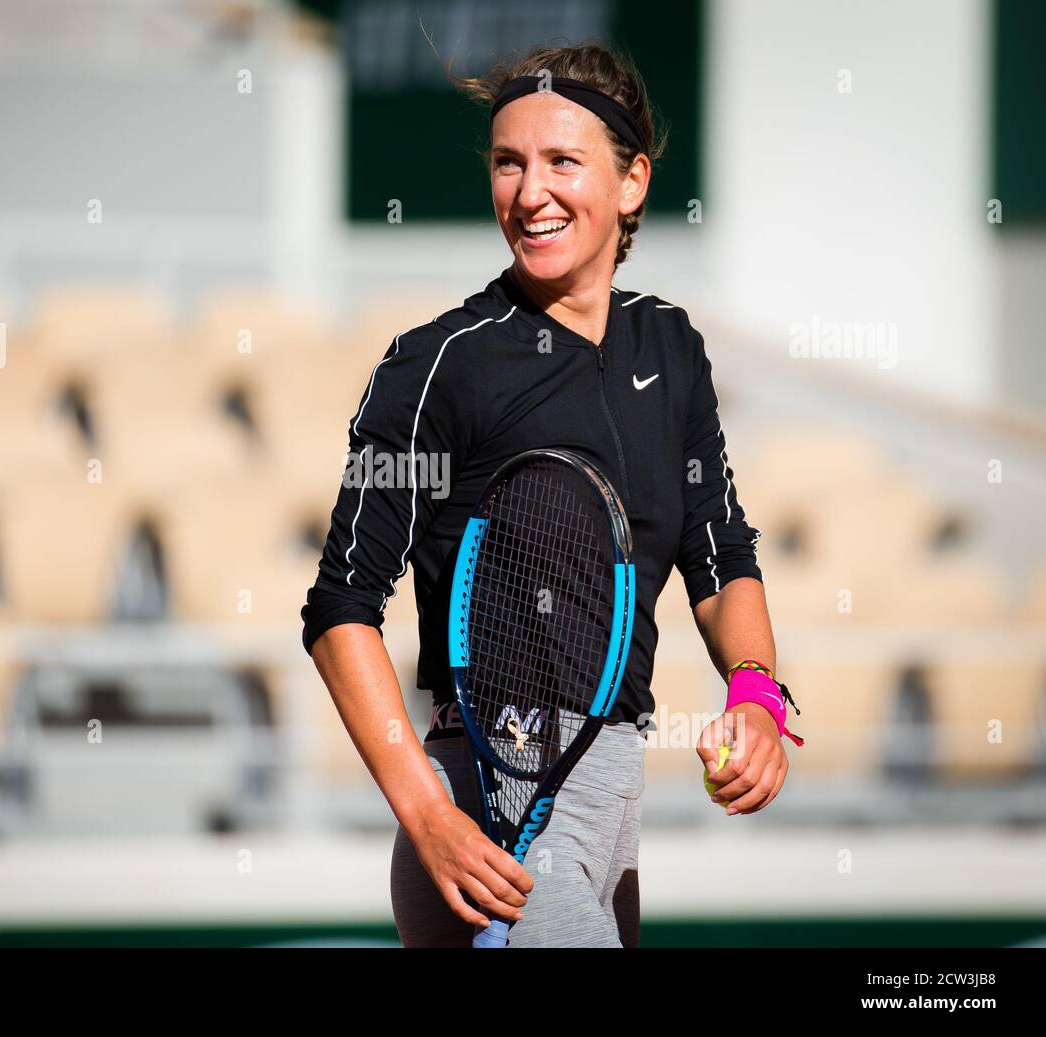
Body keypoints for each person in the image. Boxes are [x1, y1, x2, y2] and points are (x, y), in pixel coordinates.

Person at [301, 41, 801, 947]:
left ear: (632, 181)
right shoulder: (437, 365)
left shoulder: (673, 348)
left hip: (614, 811)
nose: (529, 193)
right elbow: (340, 606)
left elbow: (720, 550)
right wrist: (429, 815)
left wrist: (757, 695)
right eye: (508, 163)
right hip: (489, 811)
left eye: (563, 161)